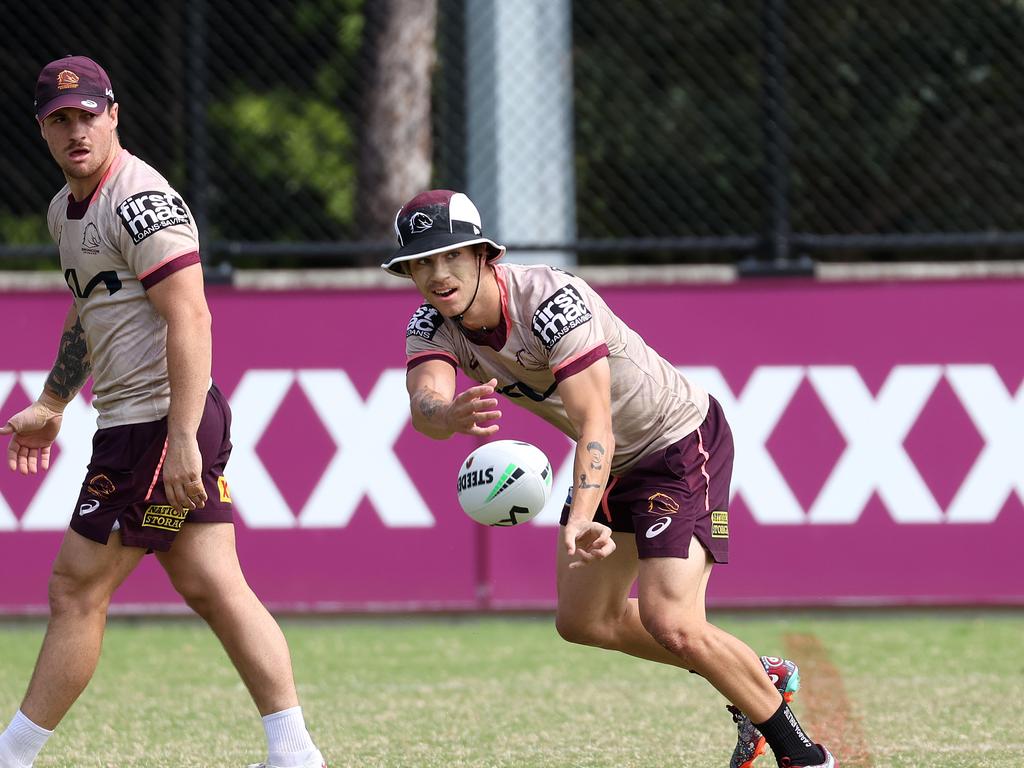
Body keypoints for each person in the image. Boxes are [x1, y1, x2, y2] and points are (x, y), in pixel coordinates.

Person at [382, 189, 837, 768]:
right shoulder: (431, 325)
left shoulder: (550, 301)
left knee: (670, 620)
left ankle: (806, 756)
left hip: (677, 443)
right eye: (421, 263)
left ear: (483, 257)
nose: (436, 274)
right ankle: (755, 677)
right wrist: (446, 415)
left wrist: (579, 513)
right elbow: (425, 405)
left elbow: (596, 422)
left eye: (450, 256)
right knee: (583, 620)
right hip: (610, 463)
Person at [0, 56, 325, 768]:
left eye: (88, 115)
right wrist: (54, 402)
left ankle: (13, 755)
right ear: (42, 130)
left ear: (113, 114)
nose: (76, 130)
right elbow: (91, 309)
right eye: (60, 120)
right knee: (211, 582)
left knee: (75, 588)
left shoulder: (141, 200)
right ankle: (294, 752)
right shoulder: (65, 210)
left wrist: (181, 439)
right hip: (148, 425)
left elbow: (193, 318)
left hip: (156, 427)